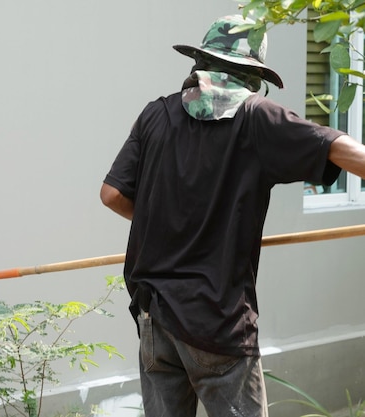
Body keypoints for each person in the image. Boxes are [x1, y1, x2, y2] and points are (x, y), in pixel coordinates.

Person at [100, 14, 365, 417]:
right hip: (216, 321)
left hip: (155, 314)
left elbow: (112, 194)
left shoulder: (155, 114)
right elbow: (340, 149)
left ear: (201, 62)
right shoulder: (257, 116)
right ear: (251, 72)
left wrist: (164, 221)